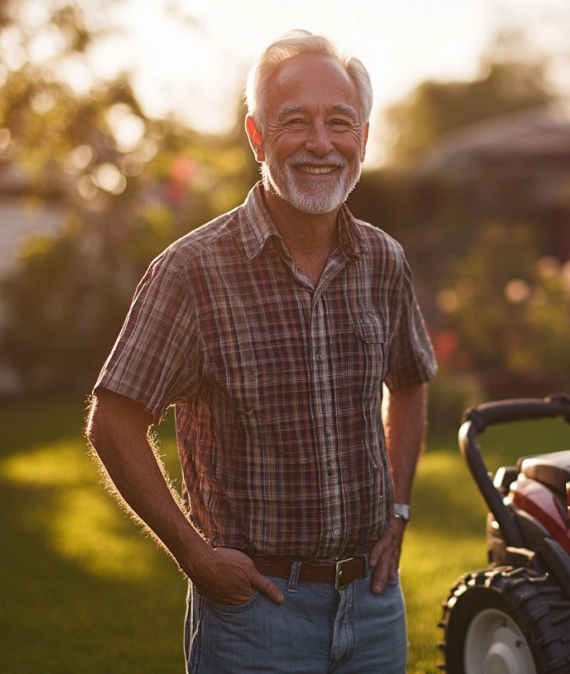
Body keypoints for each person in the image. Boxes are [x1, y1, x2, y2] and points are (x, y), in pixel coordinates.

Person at [85, 30, 436, 673]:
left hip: (374, 604)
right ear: (256, 136)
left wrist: (399, 510)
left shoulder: (384, 261)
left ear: (363, 138)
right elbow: (114, 420)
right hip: (254, 616)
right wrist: (195, 556)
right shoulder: (193, 272)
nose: (320, 143)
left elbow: (410, 380)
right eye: (294, 122)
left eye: (340, 122)